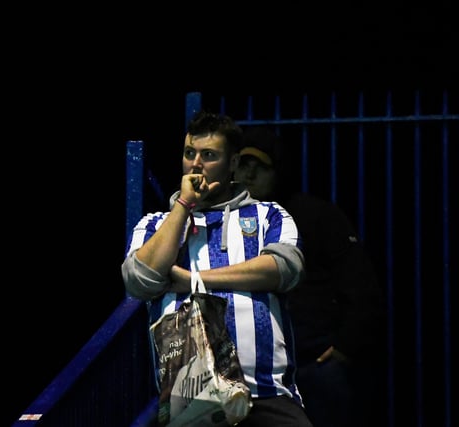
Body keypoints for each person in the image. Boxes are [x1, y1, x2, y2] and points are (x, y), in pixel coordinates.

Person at [122, 110, 314, 427]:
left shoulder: (269, 215)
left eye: (208, 155)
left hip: (266, 395)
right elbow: (140, 279)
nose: (196, 164)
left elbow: (284, 267)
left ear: (233, 163)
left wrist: (193, 280)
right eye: (189, 154)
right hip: (190, 402)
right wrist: (183, 206)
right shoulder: (155, 224)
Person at [233, 126, 387, 427]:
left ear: (278, 171)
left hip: (312, 363)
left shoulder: (316, 215)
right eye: (243, 165)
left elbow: (361, 287)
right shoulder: (223, 220)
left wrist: (343, 348)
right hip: (249, 370)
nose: (249, 175)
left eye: (260, 167)